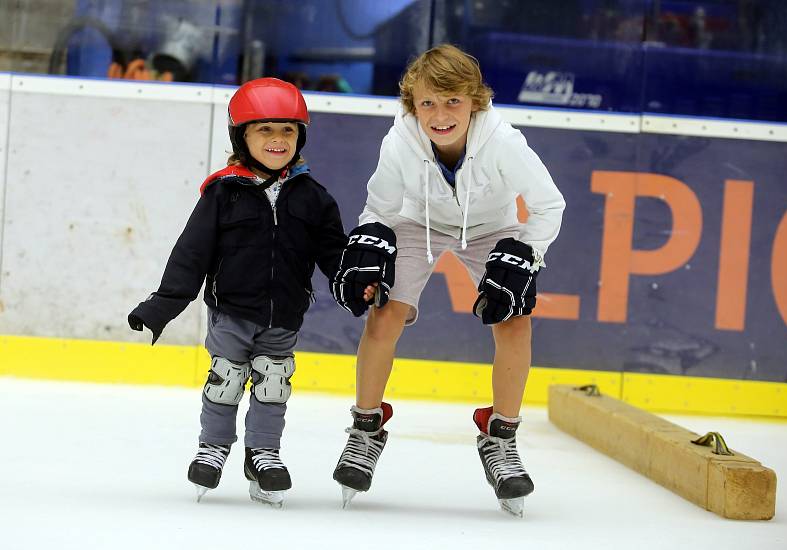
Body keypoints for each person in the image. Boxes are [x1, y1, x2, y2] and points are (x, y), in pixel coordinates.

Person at [330, 44, 566, 516]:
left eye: (452, 101)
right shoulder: (399, 141)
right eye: (427, 104)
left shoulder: (503, 142)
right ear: (412, 105)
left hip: (491, 227)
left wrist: (525, 253)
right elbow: (379, 207)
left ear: (475, 101)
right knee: (384, 313)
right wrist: (370, 240)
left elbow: (549, 205)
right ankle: (365, 429)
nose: (439, 115)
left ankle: (500, 436)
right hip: (418, 223)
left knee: (516, 318)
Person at [128, 78, 371, 506]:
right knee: (226, 380)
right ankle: (214, 446)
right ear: (241, 135)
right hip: (232, 312)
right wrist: (162, 305)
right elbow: (191, 252)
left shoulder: (314, 198)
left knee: (273, 384)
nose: (278, 140)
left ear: (301, 136)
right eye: (265, 130)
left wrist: (354, 285)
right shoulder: (224, 193)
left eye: (288, 131)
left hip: (284, 314)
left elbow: (333, 253)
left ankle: (263, 453)